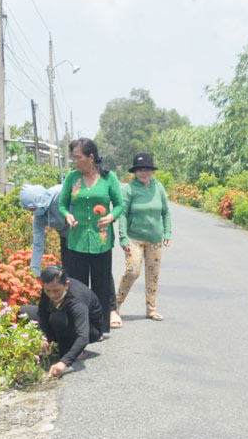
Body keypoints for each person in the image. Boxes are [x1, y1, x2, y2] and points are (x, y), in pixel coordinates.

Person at [58, 138, 125, 333]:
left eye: (78, 157)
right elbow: (62, 205)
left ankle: (99, 327)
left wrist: (111, 217)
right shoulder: (72, 178)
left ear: (91, 157)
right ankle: (80, 327)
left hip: (101, 240)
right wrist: (68, 215)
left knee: (101, 284)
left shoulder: (108, 178)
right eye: (73, 158)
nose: (75, 162)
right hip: (76, 239)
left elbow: (120, 204)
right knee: (77, 286)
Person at [115, 152, 172, 322]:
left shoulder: (158, 187)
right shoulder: (129, 189)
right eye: (140, 170)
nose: (143, 173)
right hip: (134, 238)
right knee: (133, 271)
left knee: (153, 275)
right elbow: (122, 214)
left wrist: (167, 232)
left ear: (152, 171)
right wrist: (123, 237)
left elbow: (165, 212)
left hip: (155, 239)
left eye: (147, 169)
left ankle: (151, 309)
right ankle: (116, 304)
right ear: (135, 172)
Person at [24, 266, 105, 377]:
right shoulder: (50, 288)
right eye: (48, 291)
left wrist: (64, 362)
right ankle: (55, 343)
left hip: (90, 329)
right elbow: (42, 313)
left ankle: (68, 350)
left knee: (57, 318)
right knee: (23, 311)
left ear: (67, 285)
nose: (52, 295)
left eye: (56, 291)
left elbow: (83, 336)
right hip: (65, 319)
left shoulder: (77, 301)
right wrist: (42, 337)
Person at [20, 183, 68, 275]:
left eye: (34, 209)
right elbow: (38, 243)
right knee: (69, 271)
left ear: (40, 202)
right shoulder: (39, 216)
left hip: (81, 233)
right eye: (30, 210)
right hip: (65, 238)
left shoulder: (60, 193)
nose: (33, 212)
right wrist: (35, 272)